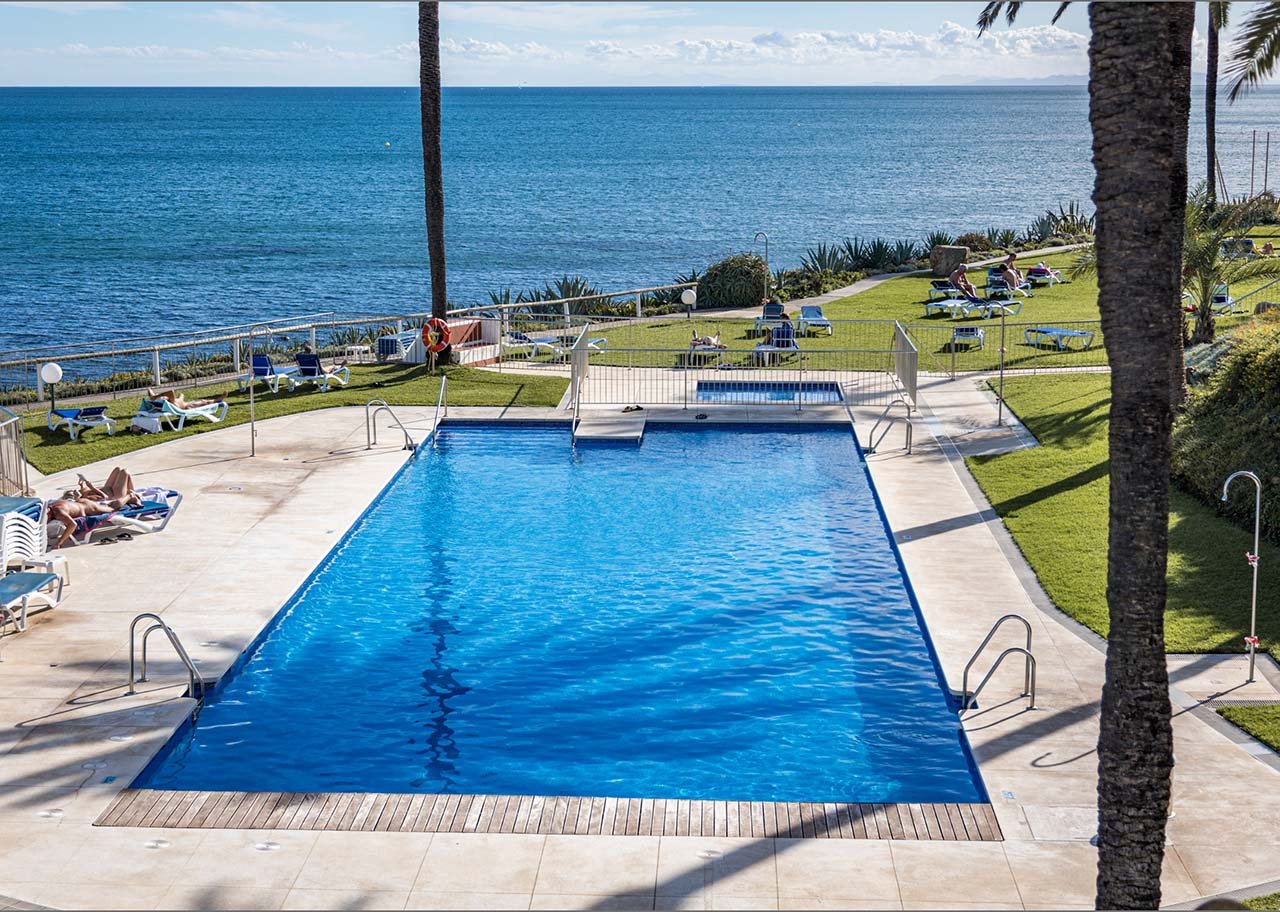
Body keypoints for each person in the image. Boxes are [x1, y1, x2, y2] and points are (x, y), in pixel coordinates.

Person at [47, 490, 141, 549]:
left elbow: (73, 525)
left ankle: (130, 495)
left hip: (88, 507)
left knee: (111, 508)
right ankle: (131, 500)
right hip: (79, 503)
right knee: (107, 506)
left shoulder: (58, 512)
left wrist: (59, 542)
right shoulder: (51, 505)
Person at [146, 389, 224, 410]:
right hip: (186, 407)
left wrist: (181, 396)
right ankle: (218, 400)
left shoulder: (167, 401)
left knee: (203, 401)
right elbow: (171, 391)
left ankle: (218, 400)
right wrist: (157, 396)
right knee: (204, 401)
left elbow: (180, 398)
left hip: (183, 404)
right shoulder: (170, 401)